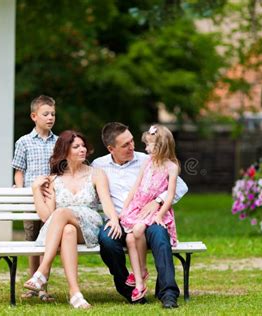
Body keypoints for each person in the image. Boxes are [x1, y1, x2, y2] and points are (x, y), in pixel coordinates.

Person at [92, 122, 188, 309]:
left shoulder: (148, 158)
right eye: (125, 145)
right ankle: (128, 289)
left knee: (160, 235)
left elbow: (181, 186)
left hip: (148, 218)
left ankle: (168, 293)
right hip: (118, 219)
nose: (132, 147)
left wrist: (158, 201)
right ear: (111, 148)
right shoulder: (99, 165)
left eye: (132, 141)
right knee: (107, 240)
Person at [24, 130, 122, 309]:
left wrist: (114, 219)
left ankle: (43, 270)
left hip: (89, 225)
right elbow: (47, 216)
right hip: (65, 229)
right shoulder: (54, 179)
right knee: (67, 229)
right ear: (65, 151)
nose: (82, 149)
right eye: (76, 147)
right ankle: (75, 293)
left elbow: (107, 203)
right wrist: (35, 189)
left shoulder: (96, 174)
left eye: (83, 145)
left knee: (61, 213)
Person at [119, 124, 179, 302]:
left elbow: (170, 194)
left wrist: (160, 215)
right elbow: (136, 187)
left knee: (137, 231)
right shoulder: (147, 162)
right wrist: (125, 209)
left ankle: (143, 270)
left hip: (156, 211)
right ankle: (140, 277)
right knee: (131, 237)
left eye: (149, 145)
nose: (145, 149)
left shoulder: (171, 166)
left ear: (159, 145)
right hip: (138, 207)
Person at [11, 95, 57, 301]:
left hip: (51, 200)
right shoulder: (24, 142)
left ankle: (43, 286)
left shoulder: (59, 142)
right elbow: (19, 171)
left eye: (53, 114)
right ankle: (32, 284)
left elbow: (62, 169)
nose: (50, 118)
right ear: (34, 116)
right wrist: (21, 191)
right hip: (31, 201)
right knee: (32, 242)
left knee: (47, 243)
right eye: (45, 114)